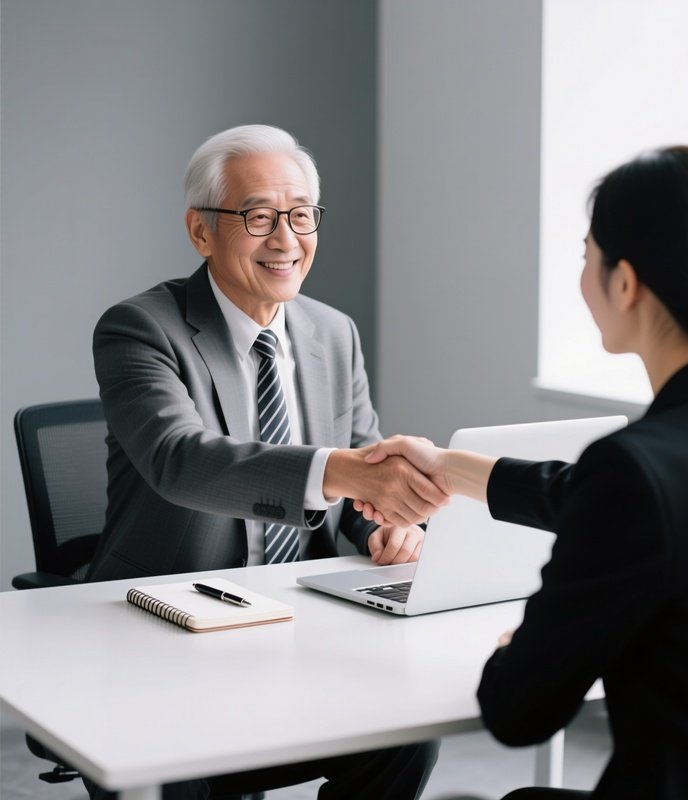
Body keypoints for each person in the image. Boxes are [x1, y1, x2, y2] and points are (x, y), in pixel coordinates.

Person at [360, 146, 688, 799]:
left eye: (586, 253)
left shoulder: (639, 470)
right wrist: (447, 468)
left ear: (625, 283)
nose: (583, 274)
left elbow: (517, 712)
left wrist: (527, 641)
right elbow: (590, 499)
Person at [83, 124, 442, 799]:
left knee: (410, 730)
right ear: (201, 231)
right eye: (258, 216)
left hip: (304, 625)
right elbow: (180, 460)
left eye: (300, 215)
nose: (286, 239)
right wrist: (342, 470)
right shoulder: (140, 329)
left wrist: (386, 529)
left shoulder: (334, 333)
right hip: (167, 636)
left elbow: (357, 487)